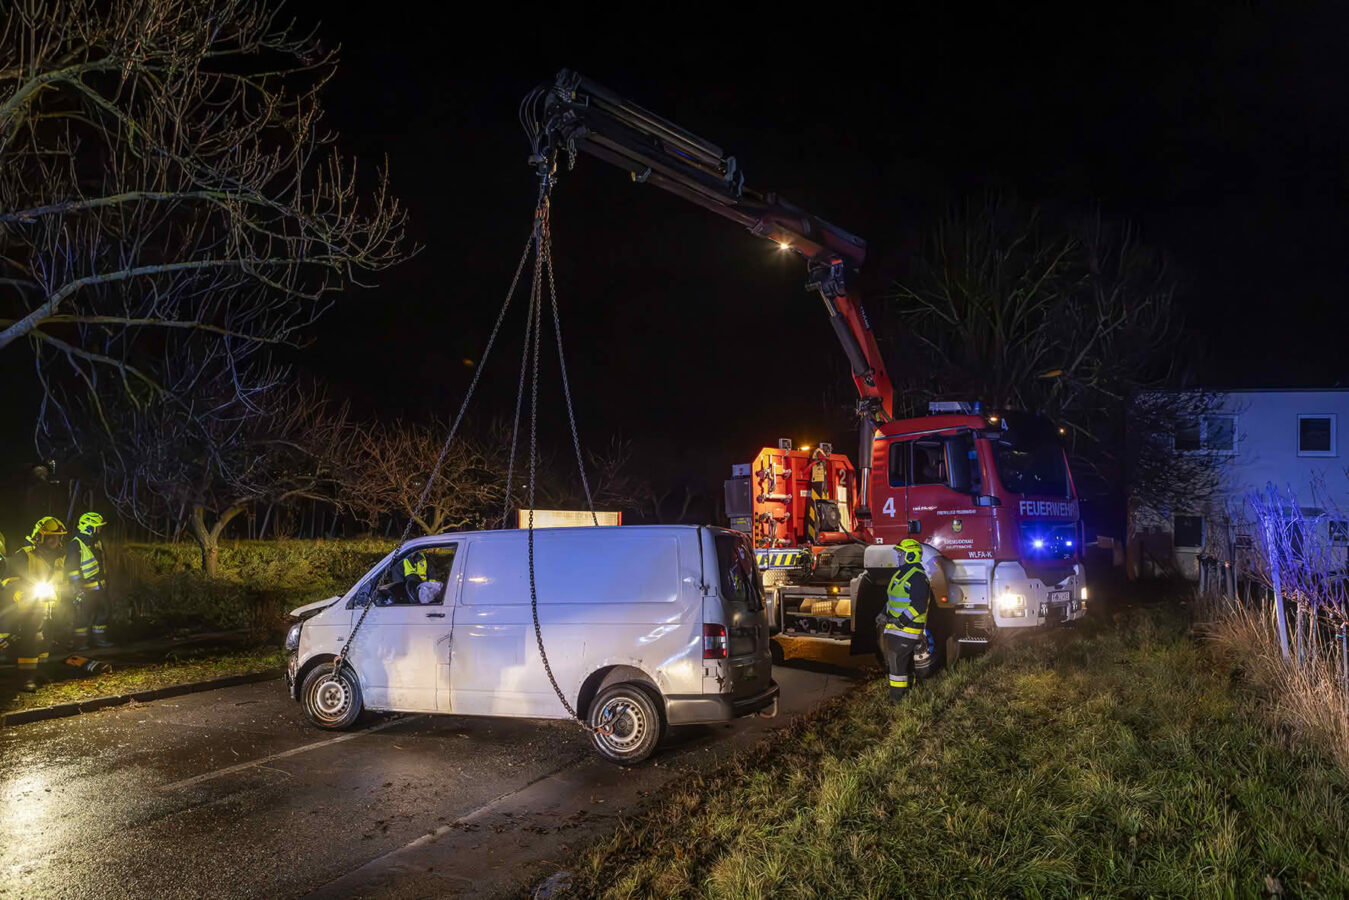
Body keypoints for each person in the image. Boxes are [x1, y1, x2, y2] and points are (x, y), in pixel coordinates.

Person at [2, 517, 68, 691]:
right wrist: (20, 593)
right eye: (51, 537)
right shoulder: (24, 555)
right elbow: (8, 580)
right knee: (32, 640)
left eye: (58, 537)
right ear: (40, 536)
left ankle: (40, 672)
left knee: (46, 640)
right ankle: (26, 678)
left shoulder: (59, 558)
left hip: (51, 606)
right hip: (30, 607)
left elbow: (63, 581)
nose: (55, 541)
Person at [878, 538, 930, 703]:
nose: (898, 556)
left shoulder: (917, 577)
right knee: (901, 664)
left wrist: (901, 621)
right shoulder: (901, 574)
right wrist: (883, 613)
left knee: (897, 665)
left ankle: (897, 700)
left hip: (907, 630)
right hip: (898, 629)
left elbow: (919, 605)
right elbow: (893, 600)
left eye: (901, 553)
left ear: (911, 556)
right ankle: (909, 692)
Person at [67, 512, 111, 649]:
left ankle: (99, 639)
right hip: (85, 589)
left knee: (104, 612)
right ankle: (80, 643)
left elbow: (101, 564)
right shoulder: (76, 544)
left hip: (99, 587)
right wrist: (77, 587)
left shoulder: (96, 542)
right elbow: (72, 568)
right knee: (83, 617)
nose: (100, 529)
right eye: (98, 527)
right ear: (89, 527)